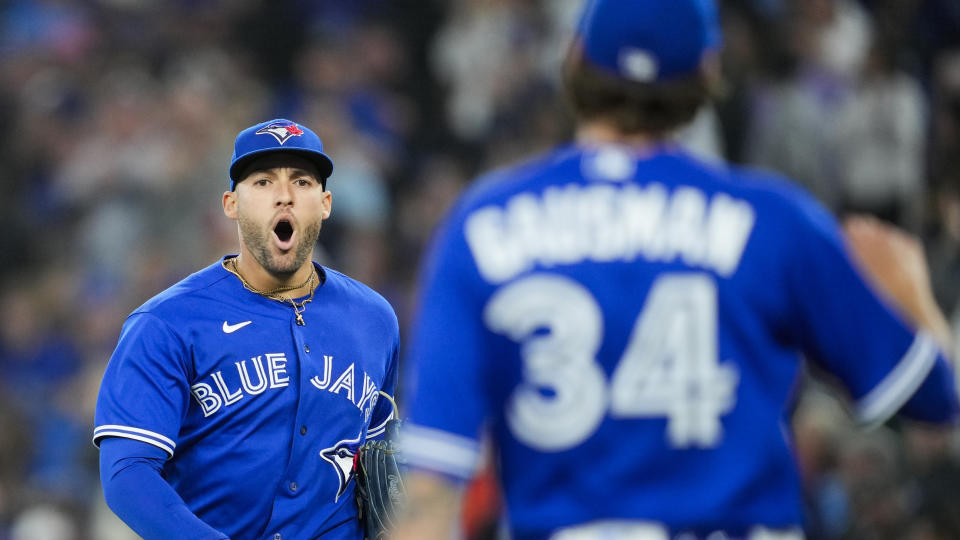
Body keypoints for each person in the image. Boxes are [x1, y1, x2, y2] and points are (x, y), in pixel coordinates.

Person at [394, 1, 960, 539]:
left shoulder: (482, 225)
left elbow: (431, 487)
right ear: (708, 71)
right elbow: (934, 401)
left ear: (574, 58)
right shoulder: (775, 222)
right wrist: (913, 295)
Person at [93, 118, 400, 540]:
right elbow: (127, 474)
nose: (285, 196)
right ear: (231, 204)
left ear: (325, 203)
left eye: (302, 181)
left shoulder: (375, 319)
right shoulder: (166, 323)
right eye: (262, 182)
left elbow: (383, 459)